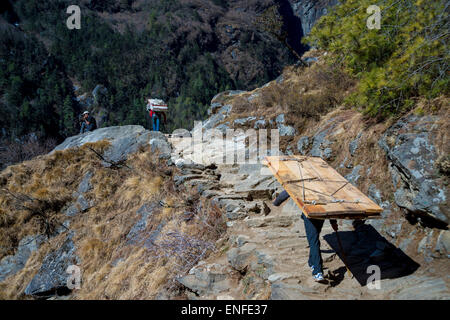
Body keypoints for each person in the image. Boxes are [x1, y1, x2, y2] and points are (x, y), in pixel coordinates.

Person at [273, 190, 333, 283]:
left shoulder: (303, 179)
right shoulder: (320, 180)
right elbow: (330, 199)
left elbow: (288, 191)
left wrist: (276, 202)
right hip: (321, 212)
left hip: (310, 213)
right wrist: (333, 221)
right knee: (314, 239)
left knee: (314, 241)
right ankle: (312, 262)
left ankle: (317, 271)